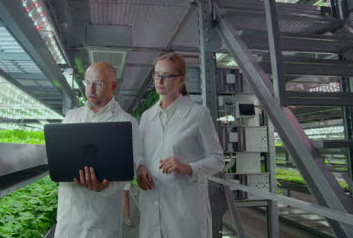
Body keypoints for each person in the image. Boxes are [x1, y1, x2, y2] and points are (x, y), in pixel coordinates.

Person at [136, 53, 225, 238]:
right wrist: (140, 168)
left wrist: (188, 167)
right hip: (153, 204)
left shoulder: (198, 114)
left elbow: (218, 159)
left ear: (182, 79)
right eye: (156, 74)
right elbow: (141, 154)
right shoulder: (147, 117)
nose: (160, 80)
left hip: (184, 209)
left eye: (167, 76)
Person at [54, 62, 141, 238]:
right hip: (69, 218)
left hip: (102, 220)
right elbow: (59, 157)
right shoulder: (72, 117)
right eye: (88, 83)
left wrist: (105, 187)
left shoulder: (127, 123)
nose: (91, 89)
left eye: (99, 83)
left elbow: (128, 168)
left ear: (113, 86)